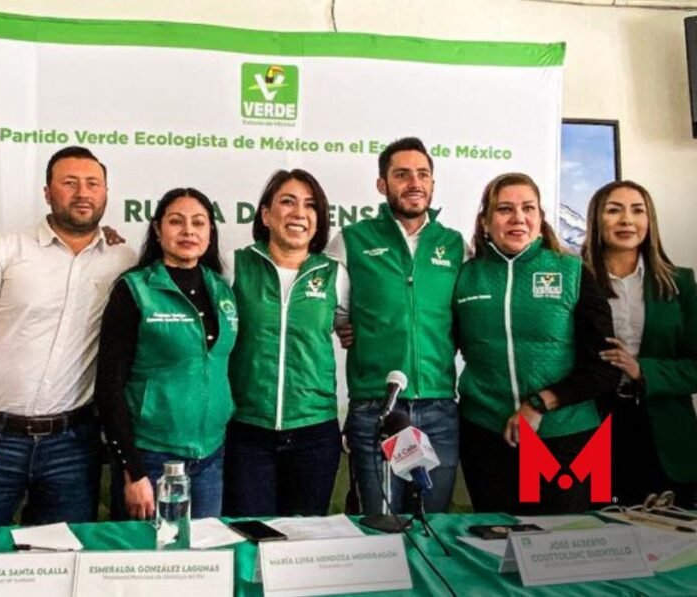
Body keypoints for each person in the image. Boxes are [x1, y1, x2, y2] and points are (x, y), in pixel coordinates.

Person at [0, 146, 135, 526]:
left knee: (61, 555)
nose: (83, 193)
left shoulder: (122, 260)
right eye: (70, 183)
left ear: (106, 193)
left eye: (93, 184)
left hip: (73, 445)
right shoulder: (6, 247)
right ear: (47, 193)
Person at [455, 172, 619, 514]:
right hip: (487, 436)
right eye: (505, 209)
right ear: (485, 221)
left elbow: (604, 367)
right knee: (496, 539)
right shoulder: (465, 276)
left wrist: (539, 404)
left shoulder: (573, 271)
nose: (518, 218)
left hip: (567, 438)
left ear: (541, 218)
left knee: (568, 542)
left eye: (528, 208)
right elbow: (434, 336)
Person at [326, 137, 463, 516]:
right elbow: (328, 308)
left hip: (439, 408)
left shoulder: (455, 245)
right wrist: (345, 325)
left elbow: (467, 316)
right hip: (376, 407)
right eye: (402, 175)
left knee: (432, 525)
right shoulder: (352, 240)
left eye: (423, 174)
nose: (414, 183)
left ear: (432, 183)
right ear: (382, 184)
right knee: (379, 527)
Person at [95, 188, 237, 520]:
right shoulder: (135, 289)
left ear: (210, 232)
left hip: (210, 457)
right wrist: (133, 470)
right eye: (176, 221)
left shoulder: (222, 289)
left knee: (205, 550)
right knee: (147, 552)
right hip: (151, 460)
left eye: (198, 223)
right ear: (158, 230)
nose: (188, 231)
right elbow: (109, 386)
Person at [223, 169, 348, 517]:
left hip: (315, 433)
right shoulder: (234, 265)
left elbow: (353, 327)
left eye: (310, 205)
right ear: (266, 214)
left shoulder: (335, 274)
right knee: (250, 533)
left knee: (305, 539)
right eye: (288, 202)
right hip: (248, 431)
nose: (299, 213)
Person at [582, 181, 697, 509]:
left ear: (650, 220)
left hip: (665, 432)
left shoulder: (680, 283)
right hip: (592, 424)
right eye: (614, 210)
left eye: (637, 210)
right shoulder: (574, 279)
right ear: (596, 220)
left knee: (668, 534)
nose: (627, 220)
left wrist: (642, 370)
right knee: (598, 530)